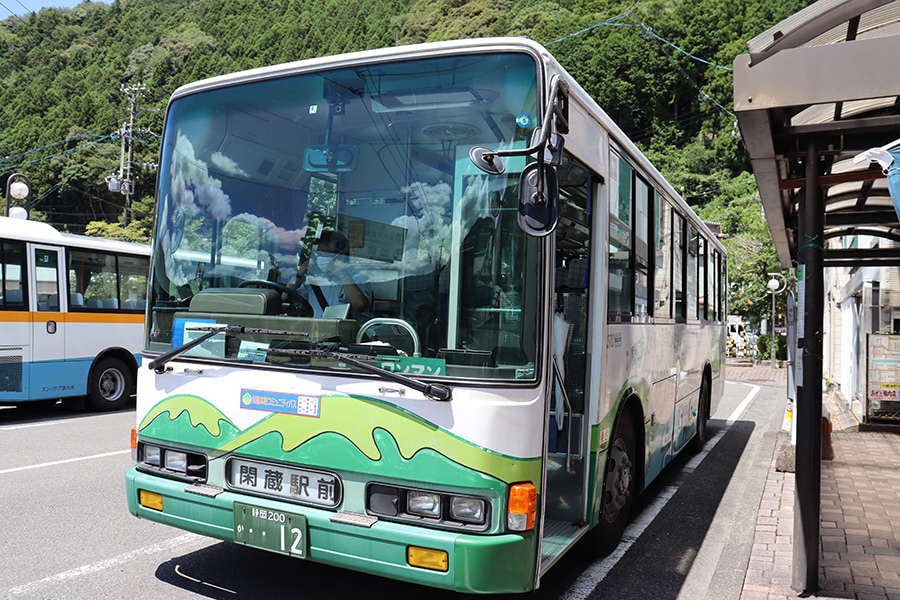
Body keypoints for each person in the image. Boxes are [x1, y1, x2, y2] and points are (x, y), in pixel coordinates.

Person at [290, 230, 372, 318]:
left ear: (341, 255)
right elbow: (285, 296)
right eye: (318, 253)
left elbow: (359, 304)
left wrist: (341, 273)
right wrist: (298, 275)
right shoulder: (315, 279)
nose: (320, 257)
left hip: (343, 330)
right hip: (314, 329)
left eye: (325, 252)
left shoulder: (359, 278)